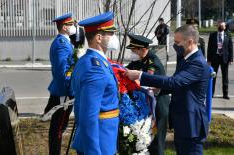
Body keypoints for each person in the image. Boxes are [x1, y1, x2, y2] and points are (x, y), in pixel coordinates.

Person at [125, 25, 210, 155]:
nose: (174, 46)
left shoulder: (197, 63)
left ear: (190, 41)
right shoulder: (185, 59)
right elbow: (177, 86)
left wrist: (140, 75)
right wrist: (158, 90)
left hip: (191, 123)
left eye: (177, 42)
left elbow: (174, 81)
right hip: (182, 121)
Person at [71, 11, 120, 155]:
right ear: (99, 38)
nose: (114, 37)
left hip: (101, 137)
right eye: (110, 33)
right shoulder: (95, 69)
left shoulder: (89, 60)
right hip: (100, 142)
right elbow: (89, 116)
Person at [126, 33, 170, 155]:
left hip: (158, 108)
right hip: (146, 107)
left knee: (156, 143)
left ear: (143, 50)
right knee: (144, 141)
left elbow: (148, 85)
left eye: (134, 50)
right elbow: (126, 71)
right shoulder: (139, 61)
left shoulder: (153, 64)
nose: (132, 52)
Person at [43, 13, 76, 155]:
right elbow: (64, 72)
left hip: (62, 91)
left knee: (59, 127)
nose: (73, 27)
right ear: (64, 27)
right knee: (58, 128)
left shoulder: (64, 42)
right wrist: (70, 91)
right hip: (64, 93)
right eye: (71, 24)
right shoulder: (62, 45)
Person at [207, 20, 233, 99]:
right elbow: (209, 48)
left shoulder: (228, 35)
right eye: (219, 25)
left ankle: (225, 94)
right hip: (215, 58)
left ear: (225, 27)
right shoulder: (212, 35)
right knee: (213, 76)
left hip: (224, 58)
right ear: (217, 26)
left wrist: (231, 59)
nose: (221, 27)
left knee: (225, 77)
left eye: (222, 26)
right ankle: (211, 93)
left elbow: (230, 48)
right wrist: (208, 59)